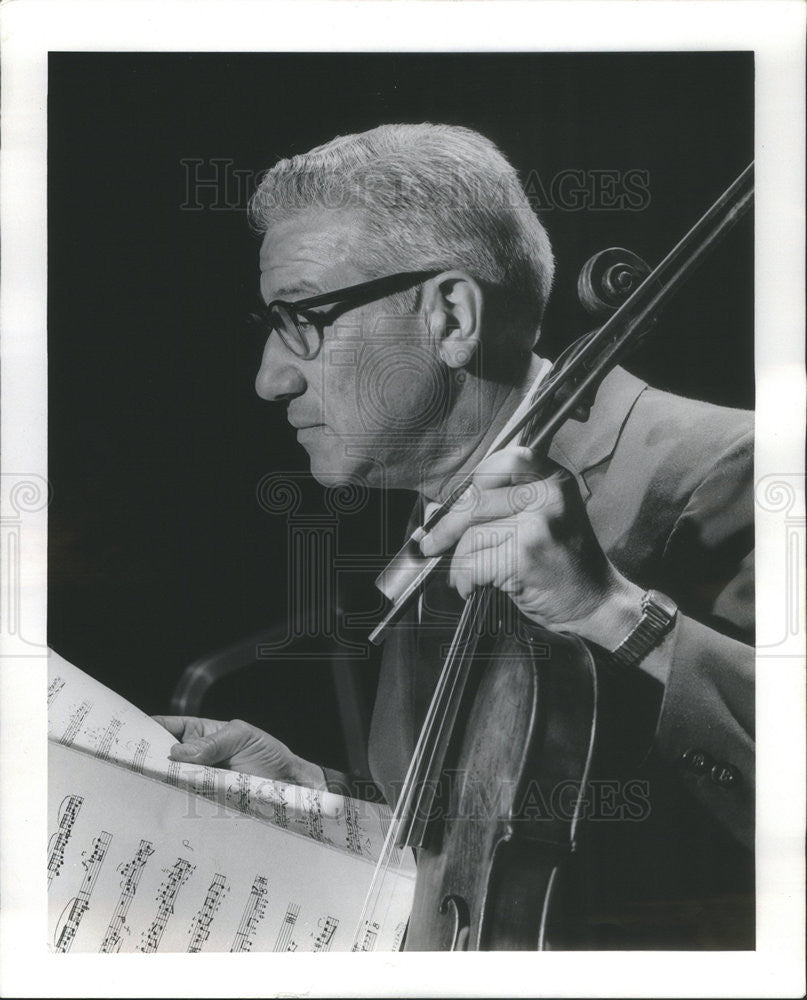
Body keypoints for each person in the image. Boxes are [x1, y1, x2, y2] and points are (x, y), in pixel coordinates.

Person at [155, 123, 754, 947]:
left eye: (302, 319)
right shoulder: (436, 514)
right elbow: (482, 846)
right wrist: (321, 797)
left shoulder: (731, 466)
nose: (270, 376)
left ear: (449, 316)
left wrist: (616, 614)